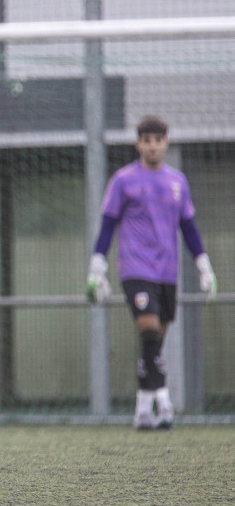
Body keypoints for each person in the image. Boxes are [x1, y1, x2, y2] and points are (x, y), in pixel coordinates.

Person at [86, 115, 217, 430]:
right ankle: (165, 402)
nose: (152, 146)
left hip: (167, 273)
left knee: (154, 343)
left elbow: (188, 227)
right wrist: (97, 266)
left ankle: (143, 408)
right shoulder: (123, 180)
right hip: (136, 269)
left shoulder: (177, 182)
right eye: (146, 140)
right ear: (138, 143)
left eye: (158, 140)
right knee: (148, 331)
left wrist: (203, 265)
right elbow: (107, 225)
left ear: (166, 143)